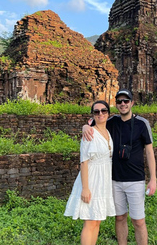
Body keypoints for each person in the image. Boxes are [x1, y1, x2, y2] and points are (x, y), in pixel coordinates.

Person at [83, 89, 157, 245]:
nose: (123, 104)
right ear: (116, 104)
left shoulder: (142, 124)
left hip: (135, 179)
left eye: (126, 101)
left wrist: (153, 179)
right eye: (119, 101)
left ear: (132, 103)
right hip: (115, 179)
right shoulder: (111, 122)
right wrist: (85, 126)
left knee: (138, 220)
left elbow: (149, 152)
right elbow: (94, 120)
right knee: (120, 217)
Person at [64, 100, 116, 245]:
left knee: (97, 220)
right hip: (92, 180)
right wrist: (85, 188)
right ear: (93, 115)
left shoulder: (107, 131)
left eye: (104, 111)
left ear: (108, 113)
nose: (100, 114)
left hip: (104, 179)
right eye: (96, 111)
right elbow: (84, 161)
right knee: (90, 222)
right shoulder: (89, 133)